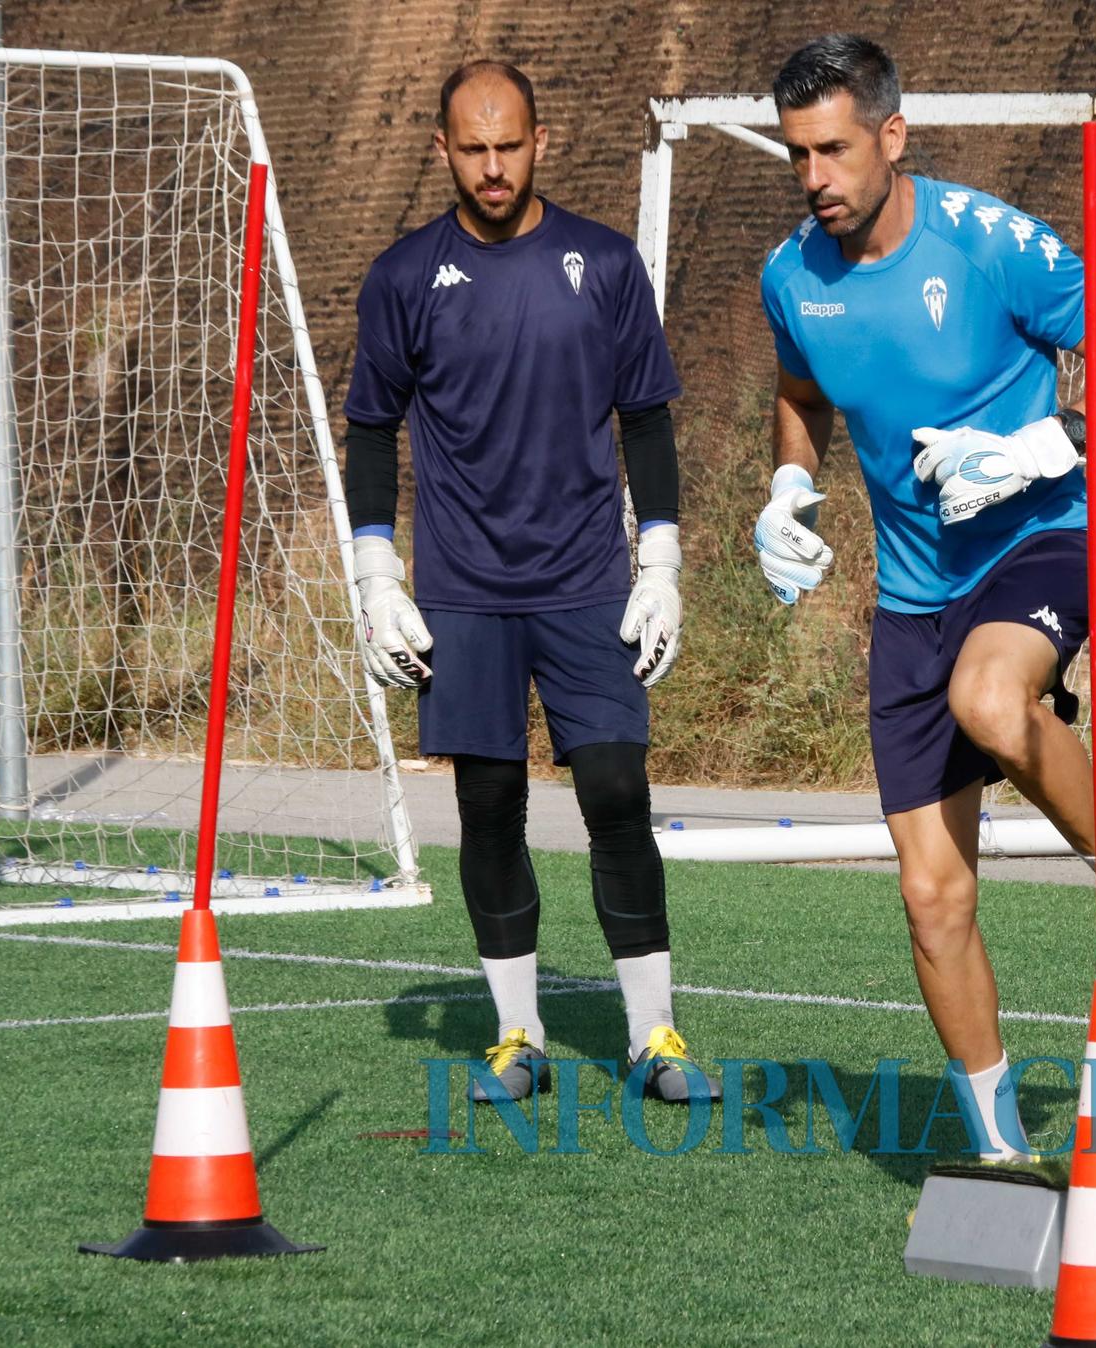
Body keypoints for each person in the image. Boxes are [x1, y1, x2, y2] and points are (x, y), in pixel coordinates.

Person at [754, 35, 1096, 1158]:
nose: (814, 176)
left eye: (833, 149)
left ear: (891, 136)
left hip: (1041, 539)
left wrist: (1040, 445)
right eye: (796, 154)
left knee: (995, 703)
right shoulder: (790, 278)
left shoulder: (989, 243)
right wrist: (786, 490)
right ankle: (1001, 1148)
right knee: (930, 896)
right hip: (913, 595)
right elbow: (801, 396)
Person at [343, 58, 716, 1105]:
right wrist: (376, 574)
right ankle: (519, 1037)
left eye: (510, 145)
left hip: (588, 580)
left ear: (540, 141)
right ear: (443, 151)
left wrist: (663, 561)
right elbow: (370, 430)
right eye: (473, 148)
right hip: (460, 590)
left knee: (614, 791)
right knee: (491, 805)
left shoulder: (601, 263)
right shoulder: (402, 276)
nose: (494, 166)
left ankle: (656, 1038)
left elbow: (645, 418)